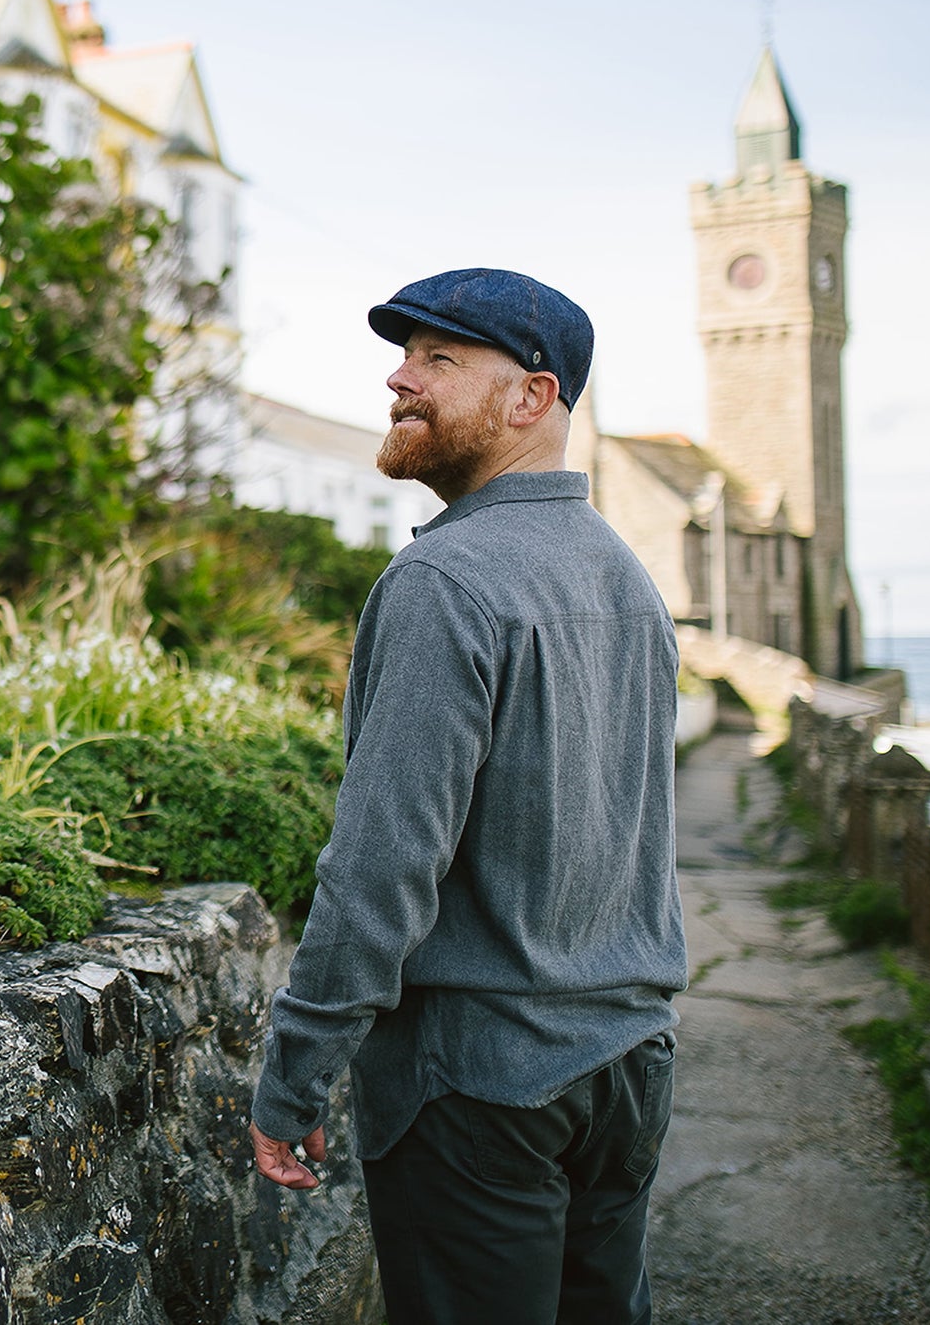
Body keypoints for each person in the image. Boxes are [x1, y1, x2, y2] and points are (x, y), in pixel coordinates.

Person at [249, 267, 687, 1324]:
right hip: (626, 1068)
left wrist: (295, 1071)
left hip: (479, 1085)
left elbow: (380, 865)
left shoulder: (445, 582)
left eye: (439, 359)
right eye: (404, 357)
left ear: (531, 398)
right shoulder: (626, 579)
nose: (399, 379)